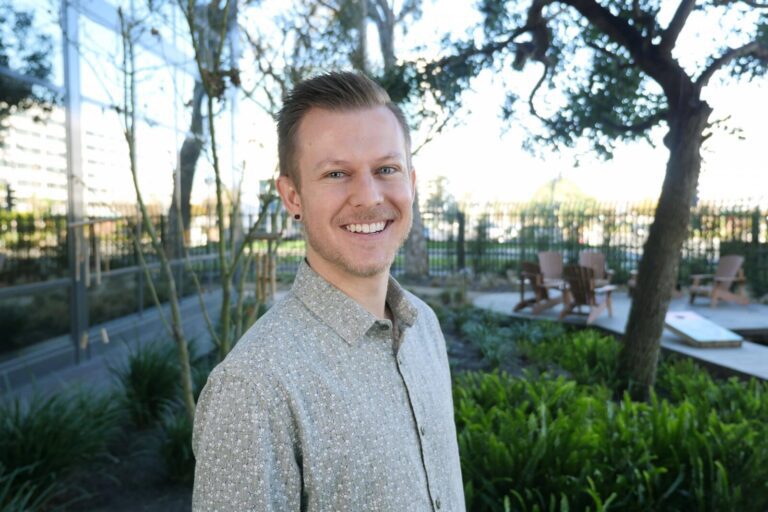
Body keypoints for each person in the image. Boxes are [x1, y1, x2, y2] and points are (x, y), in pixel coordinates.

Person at [192, 71, 465, 511]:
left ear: (412, 182)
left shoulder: (424, 327)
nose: (367, 196)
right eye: (336, 173)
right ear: (292, 196)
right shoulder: (254, 389)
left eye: (386, 169)